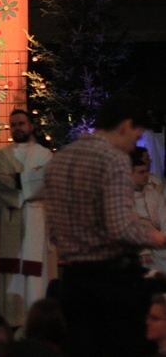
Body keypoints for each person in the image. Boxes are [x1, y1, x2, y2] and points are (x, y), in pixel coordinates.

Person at [44, 93, 166, 356]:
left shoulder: (59, 160)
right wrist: (158, 239)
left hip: (74, 280)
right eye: (135, 137)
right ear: (125, 126)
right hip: (113, 281)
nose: (134, 146)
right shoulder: (114, 160)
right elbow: (121, 227)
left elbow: (53, 230)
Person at [0, 109, 56, 326]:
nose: (17, 128)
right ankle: (14, 319)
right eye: (14, 124)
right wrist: (30, 178)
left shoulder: (44, 155)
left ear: (31, 126)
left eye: (21, 123)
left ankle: (36, 321)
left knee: (36, 274)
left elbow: (47, 183)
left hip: (37, 218)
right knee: (12, 271)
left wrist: (18, 180)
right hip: (10, 218)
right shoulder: (1, 156)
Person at [132, 150, 166, 273]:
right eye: (142, 172)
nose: (147, 175)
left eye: (147, 171)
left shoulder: (155, 197)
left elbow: (165, 221)